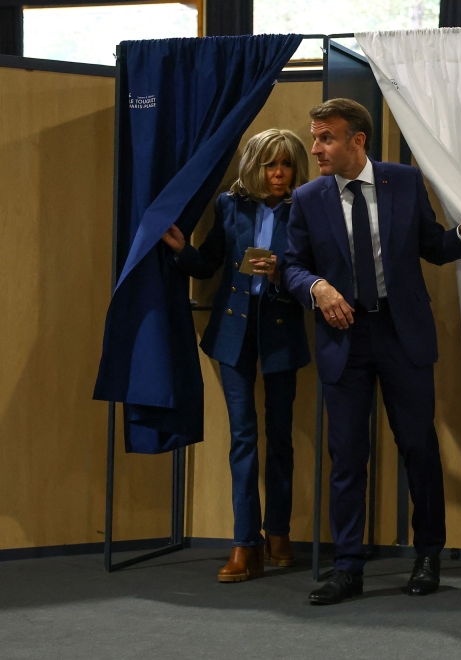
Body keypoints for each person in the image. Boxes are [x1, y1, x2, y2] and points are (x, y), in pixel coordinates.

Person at [283, 98, 461, 605]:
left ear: (357, 141)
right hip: (344, 339)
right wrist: (316, 286)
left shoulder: (403, 182)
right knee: (347, 458)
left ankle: (428, 554)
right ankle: (347, 569)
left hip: (402, 335)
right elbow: (292, 266)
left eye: (326, 138)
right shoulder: (307, 198)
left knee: (419, 449)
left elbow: (431, 244)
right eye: (315, 137)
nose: (315, 147)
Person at [161, 129, 312, 582]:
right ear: (254, 166)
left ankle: (279, 533)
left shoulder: (306, 208)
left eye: (285, 163)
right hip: (232, 332)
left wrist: (282, 272)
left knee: (280, 437)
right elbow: (209, 264)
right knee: (243, 437)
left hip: (283, 330)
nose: (279, 173)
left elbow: (320, 270)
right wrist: (181, 251)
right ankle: (245, 543)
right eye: (270, 164)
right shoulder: (230, 205)